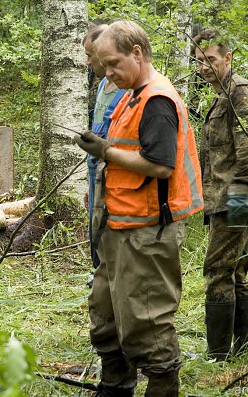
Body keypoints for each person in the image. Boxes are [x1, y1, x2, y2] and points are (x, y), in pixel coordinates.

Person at [74, 20, 204, 396]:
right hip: (118, 228)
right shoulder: (131, 93)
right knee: (106, 320)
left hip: (148, 232)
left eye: (113, 64)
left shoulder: (157, 101)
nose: (108, 74)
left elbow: (161, 165)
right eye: (103, 66)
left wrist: (105, 151)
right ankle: (115, 386)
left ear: (137, 52)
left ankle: (163, 386)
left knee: (147, 326)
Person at [193, 29, 248, 361]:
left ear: (227, 57)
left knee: (217, 268)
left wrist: (237, 204)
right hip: (226, 195)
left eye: (210, 59)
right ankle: (246, 349)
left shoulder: (238, 91)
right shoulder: (220, 93)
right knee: (235, 269)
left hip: (236, 196)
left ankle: (218, 355)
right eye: (198, 61)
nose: (203, 67)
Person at [83, 24, 126, 270]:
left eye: (90, 56)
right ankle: (98, 272)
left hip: (113, 173)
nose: (89, 62)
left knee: (109, 232)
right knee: (94, 228)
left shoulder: (125, 90)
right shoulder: (101, 86)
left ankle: (109, 275)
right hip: (94, 173)